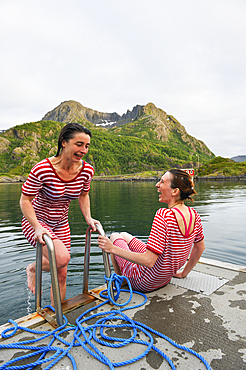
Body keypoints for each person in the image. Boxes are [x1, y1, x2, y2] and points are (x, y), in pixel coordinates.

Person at [20, 122, 99, 305]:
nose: (84, 150)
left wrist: (88, 217)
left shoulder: (86, 171)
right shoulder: (43, 169)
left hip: (61, 223)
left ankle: (58, 316)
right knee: (62, 257)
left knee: (62, 272)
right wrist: (37, 227)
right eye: (79, 144)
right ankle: (34, 268)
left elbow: (84, 195)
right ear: (64, 142)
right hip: (36, 222)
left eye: (87, 145)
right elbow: (25, 201)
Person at [97, 169, 205, 292]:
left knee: (115, 236)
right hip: (164, 278)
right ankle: (123, 277)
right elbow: (200, 247)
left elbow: (148, 261)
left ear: (175, 191)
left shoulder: (164, 215)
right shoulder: (194, 214)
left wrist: (112, 249)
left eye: (162, 182)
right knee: (124, 235)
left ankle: (123, 280)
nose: (157, 185)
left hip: (143, 282)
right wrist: (183, 273)